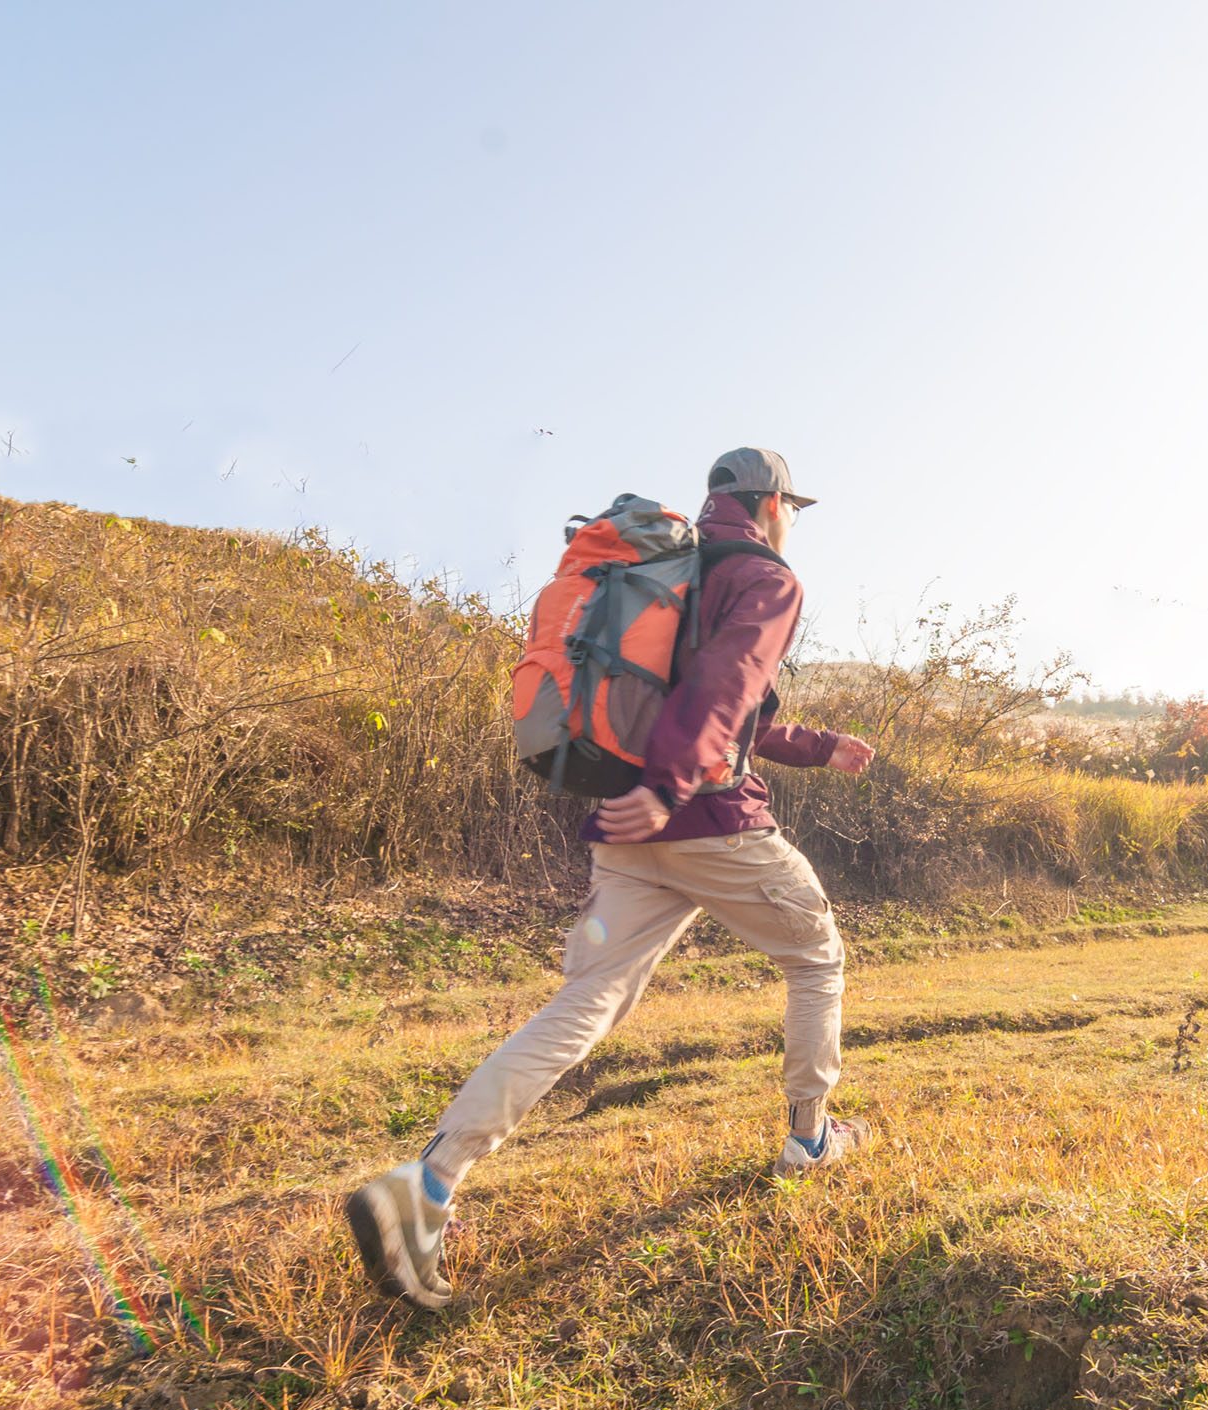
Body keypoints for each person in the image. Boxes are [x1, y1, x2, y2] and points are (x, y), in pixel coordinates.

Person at [346, 447, 876, 1309]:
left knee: (584, 1003)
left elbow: (727, 707)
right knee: (816, 960)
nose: (792, 522)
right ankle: (809, 1140)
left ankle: (428, 1185)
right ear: (771, 502)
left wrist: (816, 749)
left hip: (629, 826)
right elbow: (725, 685)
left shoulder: (663, 572)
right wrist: (674, 788)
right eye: (793, 507)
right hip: (704, 816)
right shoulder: (766, 578)